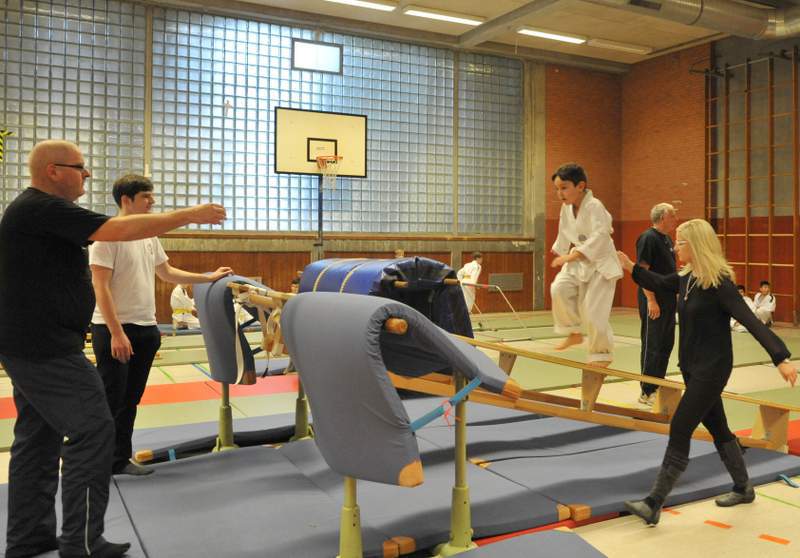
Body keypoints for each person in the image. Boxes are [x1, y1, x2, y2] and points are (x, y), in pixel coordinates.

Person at [0, 140, 226, 558]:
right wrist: (190, 214)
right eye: (79, 167)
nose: (87, 174)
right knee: (94, 427)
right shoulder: (41, 208)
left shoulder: (40, 213)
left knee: (38, 438)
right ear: (53, 171)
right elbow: (117, 231)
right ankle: (82, 541)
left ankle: (29, 537)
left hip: (36, 343)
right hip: (45, 349)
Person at [617, 219, 797, 527]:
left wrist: (780, 358)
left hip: (713, 368)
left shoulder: (719, 284)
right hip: (691, 366)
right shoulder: (686, 279)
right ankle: (743, 487)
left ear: (696, 245)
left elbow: (751, 321)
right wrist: (630, 267)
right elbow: (658, 282)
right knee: (719, 428)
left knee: (681, 426)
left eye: (680, 243)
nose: (675, 248)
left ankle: (653, 503)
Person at [90, 174, 233, 477]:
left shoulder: (149, 236)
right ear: (126, 200)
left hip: (145, 327)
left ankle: (118, 459)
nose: (152, 201)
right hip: (115, 329)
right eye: (146, 197)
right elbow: (100, 287)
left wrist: (207, 278)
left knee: (130, 399)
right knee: (111, 399)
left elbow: (167, 273)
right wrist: (116, 332)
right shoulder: (107, 237)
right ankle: (95, 461)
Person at [550, 163, 622, 366]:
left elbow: (601, 234)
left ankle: (601, 354)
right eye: (557, 189)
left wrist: (571, 256)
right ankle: (573, 332)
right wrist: (560, 249)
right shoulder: (566, 208)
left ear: (580, 186)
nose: (560, 193)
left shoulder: (595, 206)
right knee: (559, 288)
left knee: (593, 312)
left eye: (564, 188)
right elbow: (564, 231)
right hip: (579, 260)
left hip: (600, 263)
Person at [636, 203, 678, 405]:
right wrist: (651, 300)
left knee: (665, 344)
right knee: (652, 344)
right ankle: (646, 390)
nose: (676, 219)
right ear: (662, 217)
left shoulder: (668, 239)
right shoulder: (648, 238)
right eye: (673, 215)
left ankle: (657, 384)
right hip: (653, 300)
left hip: (668, 300)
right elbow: (642, 272)